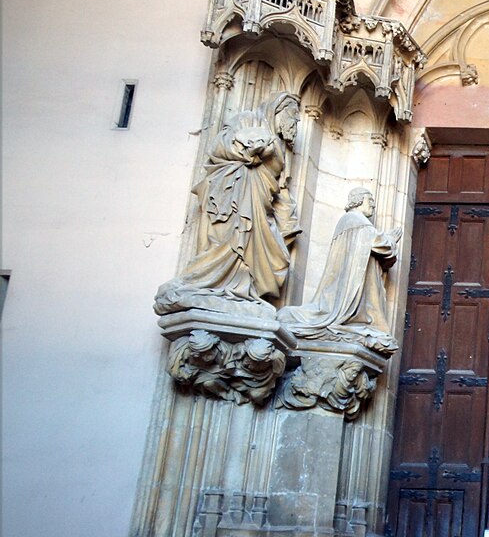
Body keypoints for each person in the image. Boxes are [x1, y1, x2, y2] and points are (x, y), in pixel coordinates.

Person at [156, 92, 302, 314]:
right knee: (229, 242)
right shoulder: (247, 120)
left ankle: (243, 290)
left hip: (259, 206)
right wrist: (253, 146)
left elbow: (278, 188)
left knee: (263, 251)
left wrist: (288, 219)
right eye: (293, 116)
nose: (296, 122)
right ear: (279, 110)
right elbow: (219, 146)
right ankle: (208, 284)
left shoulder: (280, 145)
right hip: (233, 197)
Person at [279, 188, 401, 353]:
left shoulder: (350, 221)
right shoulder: (355, 220)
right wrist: (391, 239)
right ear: (358, 200)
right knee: (318, 315)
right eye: (369, 200)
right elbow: (379, 244)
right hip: (345, 293)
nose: (373, 205)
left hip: (348, 288)